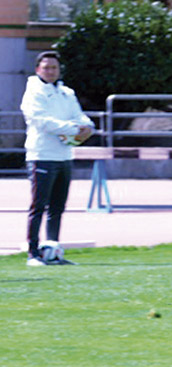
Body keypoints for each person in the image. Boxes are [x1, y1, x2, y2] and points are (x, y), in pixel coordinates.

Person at [21, 51, 94, 266]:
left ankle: (52, 252)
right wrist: (74, 128)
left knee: (57, 207)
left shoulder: (66, 93)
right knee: (38, 206)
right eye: (46, 67)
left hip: (64, 156)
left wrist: (87, 127)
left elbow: (78, 115)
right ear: (38, 69)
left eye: (54, 67)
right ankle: (33, 254)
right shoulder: (33, 92)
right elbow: (41, 121)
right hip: (41, 155)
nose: (50, 71)